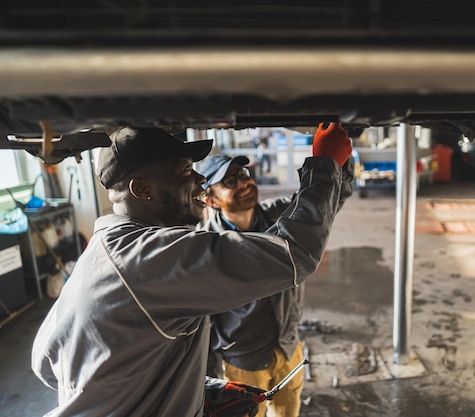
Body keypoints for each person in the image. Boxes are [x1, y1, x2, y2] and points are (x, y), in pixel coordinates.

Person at [30, 123, 353, 417]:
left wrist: (193, 389)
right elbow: (295, 254)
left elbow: (45, 363)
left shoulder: (104, 252)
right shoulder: (153, 256)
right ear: (142, 190)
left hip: (283, 345)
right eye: (185, 170)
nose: (199, 179)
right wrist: (323, 163)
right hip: (246, 357)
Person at [198, 149, 353, 417]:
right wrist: (210, 381)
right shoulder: (205, 248)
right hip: (244, 361)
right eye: (229, 182)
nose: (244, 183)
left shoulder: (281, 217)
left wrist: (336, 159)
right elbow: (203, 321)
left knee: (287, 412)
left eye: (243, 174)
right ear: (211, 200)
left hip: (288, 346)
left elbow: (326, 201)